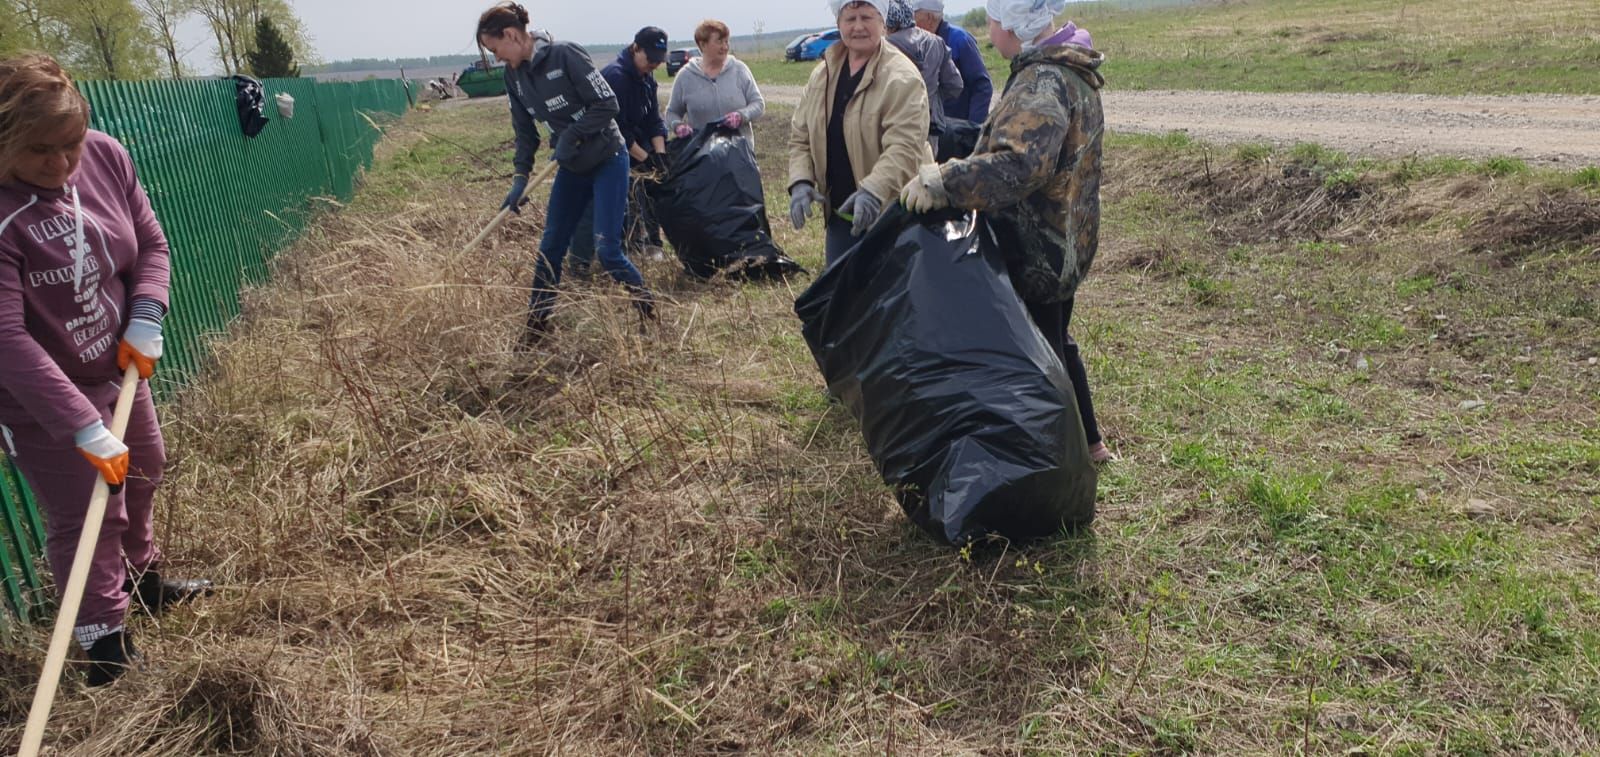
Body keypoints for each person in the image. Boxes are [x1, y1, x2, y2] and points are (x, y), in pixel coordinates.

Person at [0, 54, 211, 687]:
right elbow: (5, 337)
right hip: (38, 397)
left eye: (70, 146)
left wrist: (147, 314)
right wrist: (80, 427)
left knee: (144, 471)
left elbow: (150, 243)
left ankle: (143, 584)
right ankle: (103, 642)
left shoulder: (106, 155)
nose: (63, 166)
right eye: (41, 151)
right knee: (89, 513)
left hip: (115, 374)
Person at [900, 0, 1112, 462]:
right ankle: (1090, 443)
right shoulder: (1056, 68)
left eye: (993, 19)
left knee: (1040, 353)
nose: (988, 26)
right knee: (1056, 337)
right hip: (1066, 235)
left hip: (1040, 242)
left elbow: (1021, 164)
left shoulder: (1043, 81)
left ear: (1015, 25)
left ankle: (1060, 458)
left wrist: (946, 181)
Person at [478, 2, 656, 345]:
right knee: (551, 245)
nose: (497, 57)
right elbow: (525, 134)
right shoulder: (513, 75)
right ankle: (536, 327)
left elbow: (608, 105)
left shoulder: (565, 56)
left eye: (495, 49)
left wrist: (572, 135)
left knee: (607, 250)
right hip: (572, 168)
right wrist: (519, 179)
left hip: (608, 158)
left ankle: (647, 306)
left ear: (512, 35)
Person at [788, 0, 931, 265]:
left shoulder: (901, 77)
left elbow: (905, 146)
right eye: (850, 18)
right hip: (842, 216)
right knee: (842, 299)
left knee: (890, 301)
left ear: (883, 22)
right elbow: (801, 136)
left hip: (894, 216)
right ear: (838, 23)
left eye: (866, 17)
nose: (858, 27)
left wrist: (873, 191)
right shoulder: (822, 75)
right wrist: (801, 182)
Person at [569, 26, 674, 277]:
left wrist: (659, 155)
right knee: (625, 200)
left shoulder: (647, 78)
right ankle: (621, 251)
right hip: (607, 149)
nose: (654, 65)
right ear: (635, 48)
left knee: (654, 188)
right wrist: (645, 158)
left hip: (637, 146)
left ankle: (651, 244)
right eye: (650, 59)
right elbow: (617, 130)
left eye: (658, 60)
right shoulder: (616, 77)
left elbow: (653, 120)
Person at [665, 19, 766, 143]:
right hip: (702, 155)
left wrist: (741, 116)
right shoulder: (685, 76)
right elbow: (671, 113)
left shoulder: (739, 70)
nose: (725, 47)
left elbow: (758, 104)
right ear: (703, 45)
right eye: (719, 41)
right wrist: (677, 126)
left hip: (739, 153)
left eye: (726, 41)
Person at [883, 0, 962, 151]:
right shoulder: (937, 42)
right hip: (930, 125)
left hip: (893, 126)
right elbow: (955, 85)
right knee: (928, 169)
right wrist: (933, 100)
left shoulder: (883, 48)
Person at [911, 0, 994, 125]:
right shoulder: (921, 43)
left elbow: (982, 85)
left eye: (914, 16)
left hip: (959, 130)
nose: (912, 22)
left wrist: (974, 128)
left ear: (929, 17)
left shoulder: (960, 40)